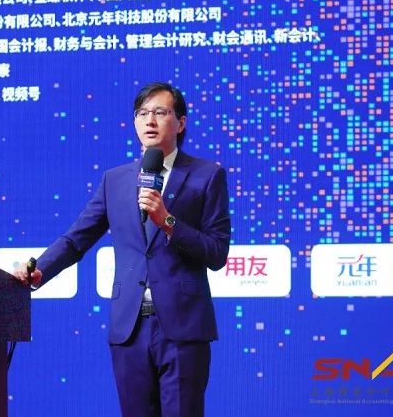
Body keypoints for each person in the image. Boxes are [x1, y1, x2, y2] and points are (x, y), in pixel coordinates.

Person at [13, 82, 231, 417]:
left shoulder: (207, 175)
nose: (150, 121)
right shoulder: (114, 180)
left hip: (183, 327)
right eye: (142, 113)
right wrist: (41, 268)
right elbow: (76, 238)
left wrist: (167, 221)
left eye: (160, 112)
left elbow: (216, 252)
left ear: (181, 122)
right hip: (130, 329)